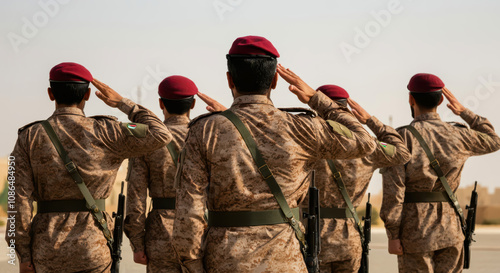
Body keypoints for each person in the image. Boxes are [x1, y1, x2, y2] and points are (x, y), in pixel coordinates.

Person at [171, 35, 376, 273]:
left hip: (225, 258)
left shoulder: (204, 129)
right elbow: (364, 142)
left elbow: (189, 211)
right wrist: (316, 100)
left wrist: (192, 265)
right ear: (275, 80)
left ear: (229, 79)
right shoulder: (302, 128)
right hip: (285, 259)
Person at [6, 62, 172, 273]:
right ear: (87, 95)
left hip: (46, 249)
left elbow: (16, 199)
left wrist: (22, 254)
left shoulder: (29, 136)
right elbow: (161, 134)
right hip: (93, 248)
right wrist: (123, 103)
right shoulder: (108, 130)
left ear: (50, 93)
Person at [380, 73, 500, 272]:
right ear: (442, 100)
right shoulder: (459, 134)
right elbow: (494, 141)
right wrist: (464, 112)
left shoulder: (402, 138)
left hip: (415, 230)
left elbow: (394, 191)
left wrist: (393, 235)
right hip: (451, 228)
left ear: (411, 99)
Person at [311, 85, 411, 273]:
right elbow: (402, 153)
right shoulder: (369, 146)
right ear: (347, 111)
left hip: (311, 235)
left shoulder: (305, 140)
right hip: (349, 237)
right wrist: (371, 121)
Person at [124, 75, 199, 273]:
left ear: (160, 103)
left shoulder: (148, 139)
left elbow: (136, 196)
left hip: (161, 233)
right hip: (200, 229)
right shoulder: (205, 135)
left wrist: (137, 244)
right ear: (193, 103)